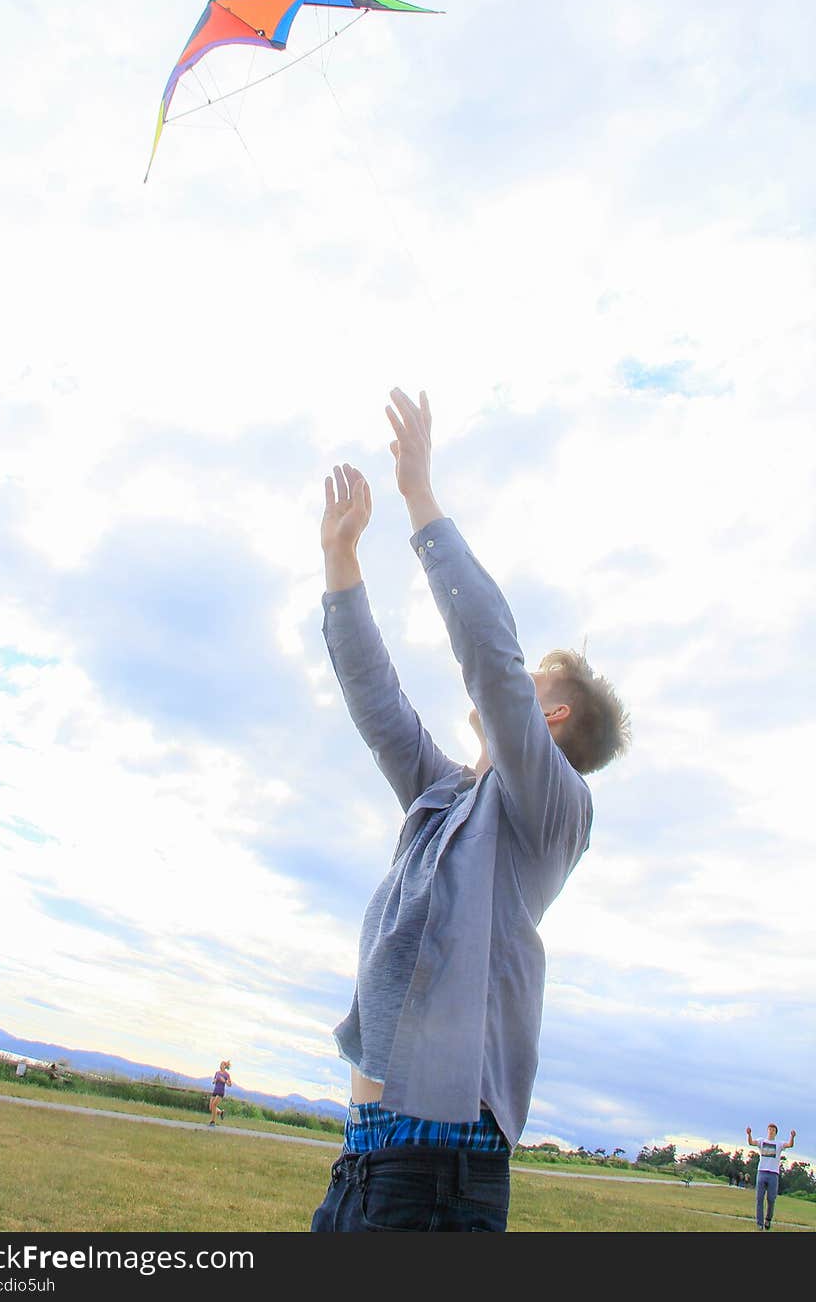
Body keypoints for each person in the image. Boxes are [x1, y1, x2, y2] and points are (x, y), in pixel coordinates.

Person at [310, 387, 631, 1232]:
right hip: (365, 1165)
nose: (509, 690)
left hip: (438, 1178)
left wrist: (419, 497)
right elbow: (378, 703)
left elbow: (490, 653)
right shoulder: (447, 796)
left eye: (530, 690)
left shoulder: (553, 812)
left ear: (550, 718)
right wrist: (341, 559)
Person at [746, 1122, 796, 1229]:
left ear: (775, 1133)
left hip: (773, 1174)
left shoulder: (779, 1144)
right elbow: (751, 1142)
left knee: (771, 1199)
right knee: (759, 1198)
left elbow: (790, 1145)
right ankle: (759, 1223)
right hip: (762, 1172)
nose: (771, 1131)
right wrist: (749, 1134)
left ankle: (768, 1219)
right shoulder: (761, 1141)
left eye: (773, 1130)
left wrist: (792, 1136)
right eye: (769, 1129)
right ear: (767, 1130)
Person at [209, 1060, 232, 1126]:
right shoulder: (217, 1073)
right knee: (211, 1107)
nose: (220, 1066)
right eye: (220, 1064)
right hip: (215, 1091)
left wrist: (224, 1081)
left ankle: (213, 1122)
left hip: (221, 1092)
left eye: (222, 1065)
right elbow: (213, 1081)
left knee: (214, 1105)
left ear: (224, 1066)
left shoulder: (227, 1074)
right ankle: (221, 1112)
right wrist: (215, 1080)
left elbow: (230, 1084)